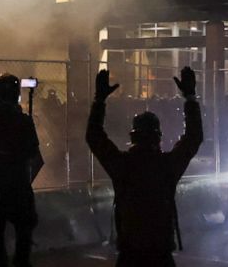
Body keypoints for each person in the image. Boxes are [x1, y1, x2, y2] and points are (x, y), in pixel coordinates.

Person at [86, 67, 203, 267]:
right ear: (159, 137)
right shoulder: (166, 165)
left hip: (130, 252)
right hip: (160, 252)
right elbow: (194, 137)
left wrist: (99, 101)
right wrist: (190, 98)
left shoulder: (122, 165)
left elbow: (94, 136)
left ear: (132, 137)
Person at [0, 73, 41, 267]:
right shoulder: (23, 120)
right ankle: (21, 262)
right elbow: (32, 149)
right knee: (24, 228)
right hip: (19, 184)